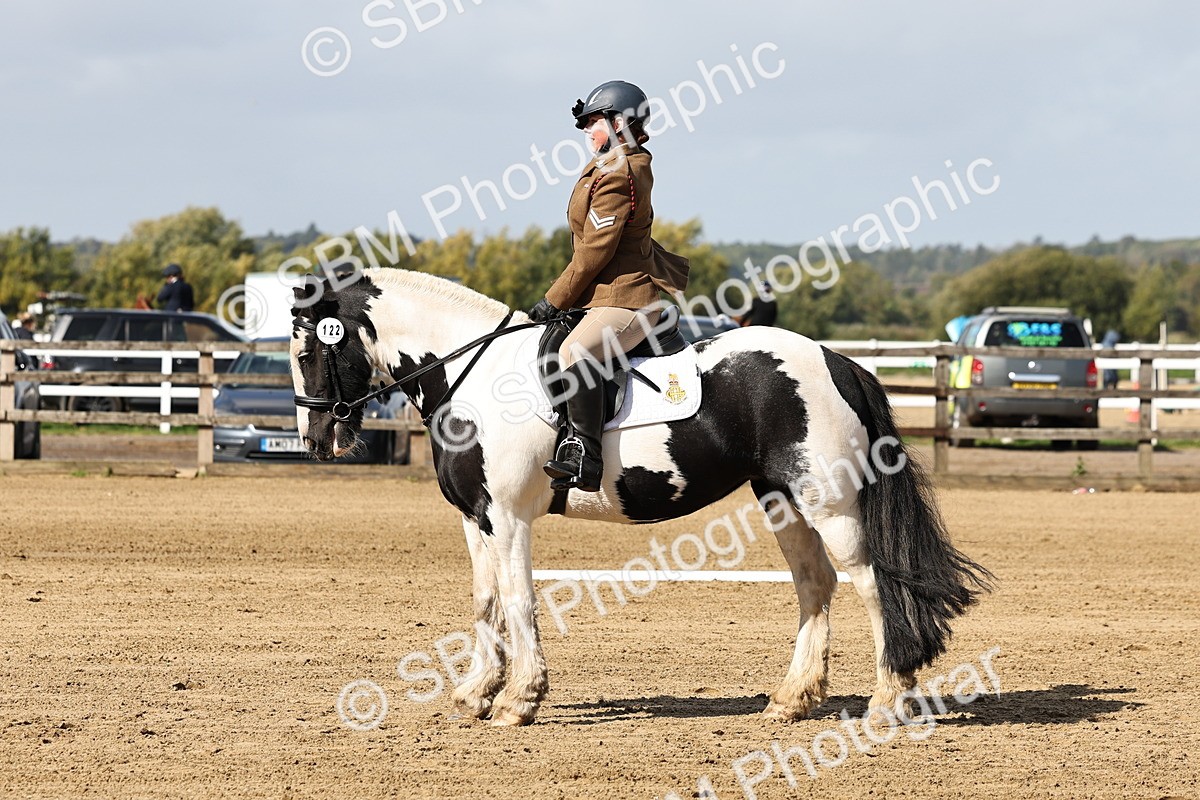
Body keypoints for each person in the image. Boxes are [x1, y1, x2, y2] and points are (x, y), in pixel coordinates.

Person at [527, 80, 690, 492]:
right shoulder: (608, 164)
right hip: (601, 297)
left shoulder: (622, 173)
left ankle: (585, 454)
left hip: (628, 300)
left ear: (619, 123)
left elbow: (594, 253)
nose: (586, 131)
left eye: (593, 122)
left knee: (577, 350)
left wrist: (553, 298)